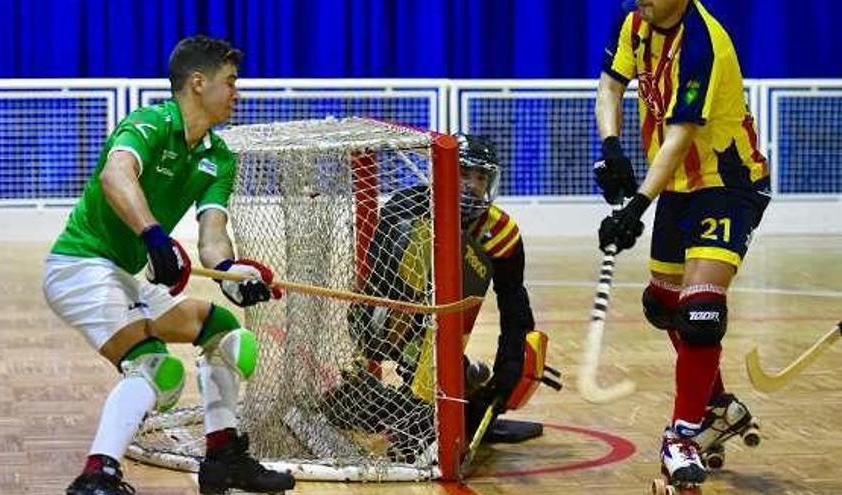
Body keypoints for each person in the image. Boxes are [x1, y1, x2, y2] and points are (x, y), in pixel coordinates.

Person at [43, 35, 295, 495]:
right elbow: (115, 174)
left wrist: (234, 276)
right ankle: (97, 477)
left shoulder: (219, 156)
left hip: (123, 275)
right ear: (198, 83)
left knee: (225, 332)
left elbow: (213, 238)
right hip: (79, 268)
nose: (239, 93)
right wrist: (153, 235)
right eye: (231, 82)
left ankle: (222, 457)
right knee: (154, 368)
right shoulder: (149, 123)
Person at [595, 0, 771, 487]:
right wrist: (611, 148)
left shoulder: (703, 43)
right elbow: (611, 83)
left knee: (700, 315)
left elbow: (680, 134)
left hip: (726, 182)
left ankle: (683, 436)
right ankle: (718, 407)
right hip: (675, 185)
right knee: (663, 304)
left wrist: (635, 209)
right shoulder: (635, 22)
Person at [329, 133, 557, 462]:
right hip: (394, 318)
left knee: (519, 360)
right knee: (393, 319)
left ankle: (465, 390)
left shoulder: (503, 233)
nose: (472, 185)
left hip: (448, 330)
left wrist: (511, 362)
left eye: (481, 177)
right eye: (464, 173)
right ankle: (439, 384)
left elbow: (514, 304)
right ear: (446, 173)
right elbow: (377, 281)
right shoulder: (405, 208)